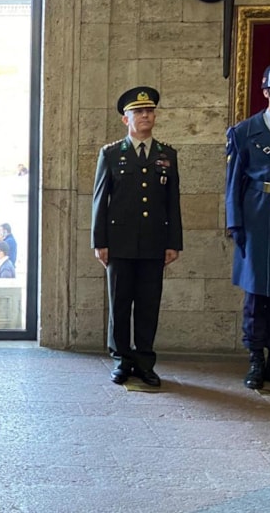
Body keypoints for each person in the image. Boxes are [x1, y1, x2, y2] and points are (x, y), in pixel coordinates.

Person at [91, 86, 182, 387]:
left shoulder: (166, 154)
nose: (145, 116)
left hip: (154, 242)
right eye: (139, 112)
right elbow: (100, 200)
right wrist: (99, 242)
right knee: (119, 304)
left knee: (148, 304)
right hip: (119, 243)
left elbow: (173, 202)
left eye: (149, 111)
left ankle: (144, 362)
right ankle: (121, 359)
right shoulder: (111, 153)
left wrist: (173, 243)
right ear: (125, 119)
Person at [226, 62, 270, 391]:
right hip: (255, 219)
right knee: (255, 296)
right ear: (266, 91)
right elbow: (233, 183)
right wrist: (234, 223)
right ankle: (255, 359)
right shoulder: (244, 132)